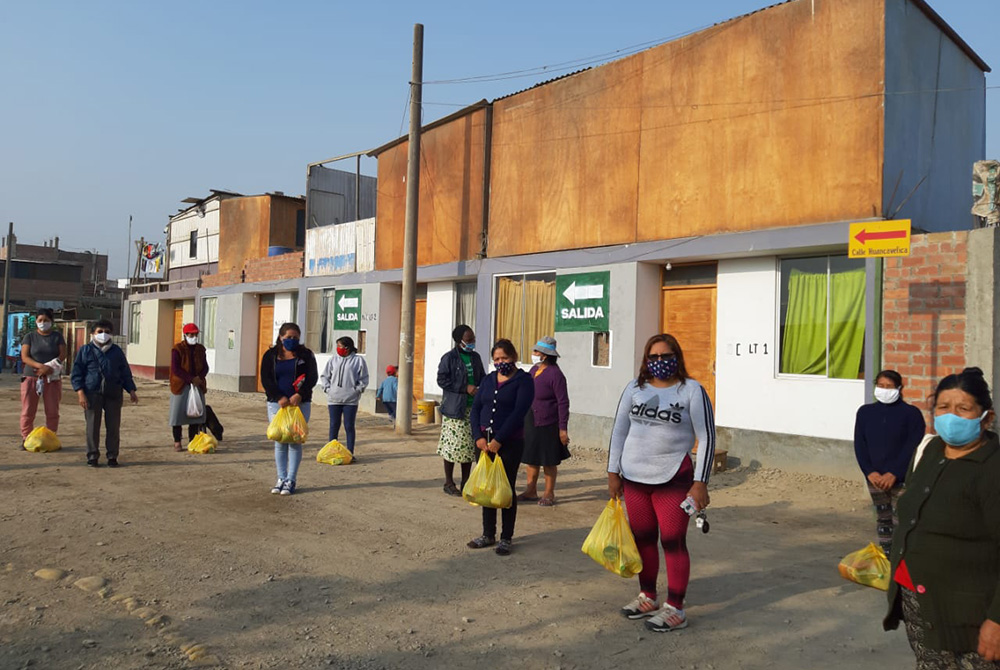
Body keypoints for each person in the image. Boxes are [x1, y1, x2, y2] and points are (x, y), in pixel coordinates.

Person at [884, 367, 1000, 667]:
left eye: (963, 409)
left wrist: (997, 621)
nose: (951, 417)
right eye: (943, 408)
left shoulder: (991, 469)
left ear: (986, 417)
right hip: (919, 598)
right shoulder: (929, 449)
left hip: (971, 613)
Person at [609, 333, 715, 633]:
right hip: (633, 478)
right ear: (646, 360)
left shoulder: (691, 390)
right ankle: (648, 597)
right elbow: (618, 431)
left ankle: (676, 608)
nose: (659, 362)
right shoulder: (634, 388)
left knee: (672, 541)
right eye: (653, 357)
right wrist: (612, 472)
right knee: (643, 539)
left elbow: (706, 436)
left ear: (677, 357)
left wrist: (700, 482)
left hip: (673, 479)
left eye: (665, 356)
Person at [467, 339, 534, 556]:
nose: (500, 362)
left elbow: (518, 412)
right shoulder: (488, 380)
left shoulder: (524, 381)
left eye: (504, 358)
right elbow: (476, 408)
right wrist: (478, 436)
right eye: (496, 359)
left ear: (513, 357)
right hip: (484, 443)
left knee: (505, 489)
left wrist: (500, 440)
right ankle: (488, 533)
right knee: (487, 488)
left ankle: (506, 537)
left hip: (509, 443)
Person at [853, 369, 926, 554]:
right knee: (883, 518)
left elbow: (913, 446)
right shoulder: (865, 413)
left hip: (902, 479)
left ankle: (904, 560)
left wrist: (894, 472)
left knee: (902, 519)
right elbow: (860, 445)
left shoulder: (911, 414)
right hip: (875, 479)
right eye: (881, 386)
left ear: (899, 388)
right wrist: (869, 472)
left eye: (890, 386)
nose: (884, 390)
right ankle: (888, 559)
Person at [70, 320, 139, 467]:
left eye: (107, 332)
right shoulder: (85, 350)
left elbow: (125, 372)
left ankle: (112, 456)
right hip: (92, 393)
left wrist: (131, 390)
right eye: (100, 331)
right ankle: (92, 456)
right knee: (92, 427)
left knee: (113, 427)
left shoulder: (116, 351)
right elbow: (77, 374)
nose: (103, 334)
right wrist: (80, 393)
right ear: (92, 334)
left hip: (113, 393)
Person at [260, 323, 318, 495]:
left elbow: (312, 377)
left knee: (294, 440)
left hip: (299, 404)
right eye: (288, 338)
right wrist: (279, 397)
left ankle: (291, 479)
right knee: (279, 440)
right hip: (276, 404)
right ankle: (281, 478)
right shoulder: (271, 356)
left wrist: (300, 394)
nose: (292, 340)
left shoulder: (305, 355)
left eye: (295, 338)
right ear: (280, 337)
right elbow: (266, 379)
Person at [519, 336, 571, 507]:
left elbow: (563, 402)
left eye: (536, 352)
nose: (533, 354)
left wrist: (563, 429)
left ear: (545, 355)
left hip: (549, 422)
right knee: (531, 457)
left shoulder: (555, 374)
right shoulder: (534, 371)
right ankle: (531, 490)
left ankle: (549, 492)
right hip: (530, 420)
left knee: (548, 459)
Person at [436, 325, 485, 496]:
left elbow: (482, 377)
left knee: (469, 449)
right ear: (459, 341)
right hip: (455, 409)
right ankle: (449, 482)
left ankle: (466, 482)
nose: (472, 342)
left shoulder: (476, 357)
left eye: (473, 339)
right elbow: (442, 380)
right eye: (469, 339)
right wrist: (465, 387)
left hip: (473, 408)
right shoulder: (449, 358)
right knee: (452, 447)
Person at [19, 308, 66, 447]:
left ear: (51, 321)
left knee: (52, 410)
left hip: (52, 377)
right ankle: (26, 438)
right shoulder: (29, 337)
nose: (43, 323)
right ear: (36, 321)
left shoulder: (57, 337)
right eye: (40, 320)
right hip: (31, 377)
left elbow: (62, 355)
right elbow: (25, 357)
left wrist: (49, 367)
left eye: (46, 320)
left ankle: (51, 438)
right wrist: (41, 367)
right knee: (28, 410)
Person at [320, 336, 369, 457]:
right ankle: (331, 452)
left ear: (347, 348)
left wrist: (357, 390)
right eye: (337, 346)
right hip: (334, 399)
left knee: (349, 426)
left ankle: (350, 453)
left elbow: (364, 378)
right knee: (334, 425)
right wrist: (327, 389)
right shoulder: (333, 360)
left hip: (350, 400)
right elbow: (325, 376)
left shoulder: (358, 361)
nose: (338, 349)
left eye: (340, 346)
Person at [169, 323, 209, 452]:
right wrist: (190, 379)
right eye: (191, 334)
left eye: (195, 334)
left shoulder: (201, 349)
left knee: (195, 415)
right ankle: (177, 441)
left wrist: (199, 378)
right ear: (185, 335)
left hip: (197, 384)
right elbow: (176, 369)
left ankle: (193, 440)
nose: (193, 336)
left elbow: (205, 367)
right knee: (177, 415)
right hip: (180, 385)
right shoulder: (177, 349)